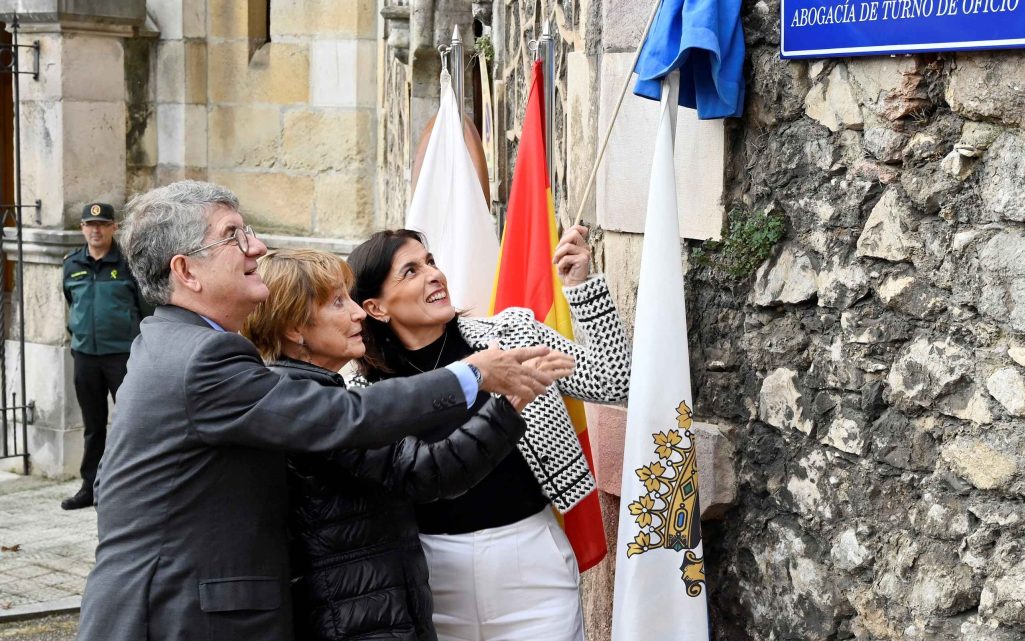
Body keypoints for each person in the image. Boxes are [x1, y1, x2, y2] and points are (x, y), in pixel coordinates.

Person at [76, 180, 562, 641]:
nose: (257, 247)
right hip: (177, 617)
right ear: (185, 271)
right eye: (233, 236)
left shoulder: (172, 342)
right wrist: (474, 375)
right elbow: (352, 419)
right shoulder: (203, 358)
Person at [243, 248, 569, 641]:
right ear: (295, 329)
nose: (357, 313)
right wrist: (509, 403)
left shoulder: (305, 392)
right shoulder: (310, 405)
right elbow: (427, 471)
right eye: (337, 302)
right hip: (358, 617)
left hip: (376, 605)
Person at [347, 226, 632, 641]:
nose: (433, 274)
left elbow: (613, 380)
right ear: (375, 308)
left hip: (532, 562)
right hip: (429, 574)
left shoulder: (510, 334)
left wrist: (580, 288)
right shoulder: (365, 393)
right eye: (410, 271)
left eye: (430, 262)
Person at [60, 202, 149, 510]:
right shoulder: (72, 264)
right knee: (93, 425)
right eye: (89, 225)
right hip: (85, 356)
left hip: (122, 356)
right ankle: (90, 486)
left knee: (132, 423)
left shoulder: (127, 265)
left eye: (102, 224)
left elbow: (145, 310)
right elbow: (71, 302)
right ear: (83, 228)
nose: (95, 230)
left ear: (114, 227)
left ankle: (133, 488)